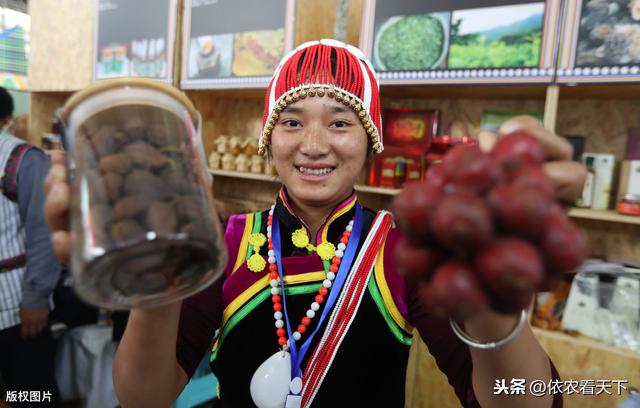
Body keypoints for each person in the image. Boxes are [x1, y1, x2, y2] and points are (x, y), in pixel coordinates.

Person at [44, 40, 586, 408]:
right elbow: (145, 396)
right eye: (293, 121)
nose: (313, 145)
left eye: (341, 122)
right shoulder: (228, 241)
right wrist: (157, 280)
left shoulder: (406, 249)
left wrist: (492, 308)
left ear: (370, 141)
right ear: (268, 139)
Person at [0, 87, 61, 405]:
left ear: (6, 120)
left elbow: (45, 231)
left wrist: (36, 298)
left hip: (15, 309)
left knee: (30, 394)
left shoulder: (23, 159)